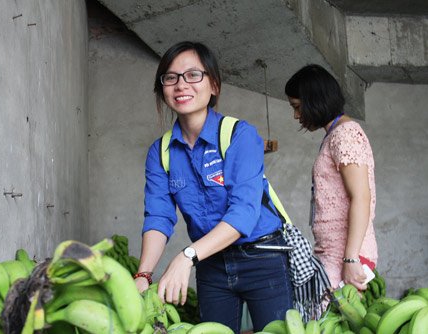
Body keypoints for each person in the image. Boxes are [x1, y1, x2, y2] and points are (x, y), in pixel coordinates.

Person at [133, 41, 293, 333]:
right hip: (211, 265)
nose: (181, 85)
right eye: (171, 77)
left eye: (193, 75)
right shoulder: (161, 152)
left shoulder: (239, 135)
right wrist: (144, 273)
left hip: (263, 258)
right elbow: (158, 217)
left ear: (214, 85)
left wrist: (186, 256)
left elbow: (243, 213)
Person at [284, 64, 378, 291]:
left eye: (298, 107)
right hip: (335, 253)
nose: (296, 115)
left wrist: (351, 259)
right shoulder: (334, 135)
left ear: (315, 100)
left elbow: (361, 197)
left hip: (345, 256)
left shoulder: (345, 135)